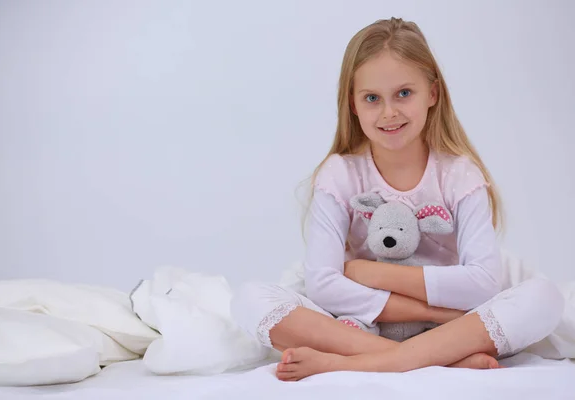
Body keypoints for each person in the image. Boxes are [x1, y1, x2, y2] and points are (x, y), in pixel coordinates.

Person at [230, 17, 564, 381]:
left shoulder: (459, 174)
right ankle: (437, 360)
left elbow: (482, 284)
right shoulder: (340, 173)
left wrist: (371, 272)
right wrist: (435, 314)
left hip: (453, 325)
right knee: (248, 300)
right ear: (354, 105)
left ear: (432, 94)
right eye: (372, 98)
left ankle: (351, 362)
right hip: (372, 325)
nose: (389, 112)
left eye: (404, 93)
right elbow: (323, 286)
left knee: (545, 298)